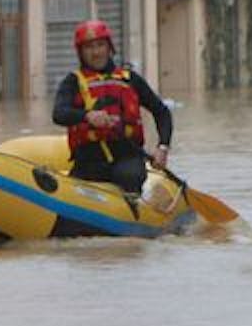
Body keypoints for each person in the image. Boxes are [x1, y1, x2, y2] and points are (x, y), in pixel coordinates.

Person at [52, 19, 172, 198]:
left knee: (129, 176)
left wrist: (162, 147)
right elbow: (59, 114)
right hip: (89, 162)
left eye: (100, 45)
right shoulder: (72, 82)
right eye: (89, 47)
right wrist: (87, 116)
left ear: (109, 48)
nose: (96, 52)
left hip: (127, 159)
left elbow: (161, 112)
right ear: (81, 52)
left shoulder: (130, 79)